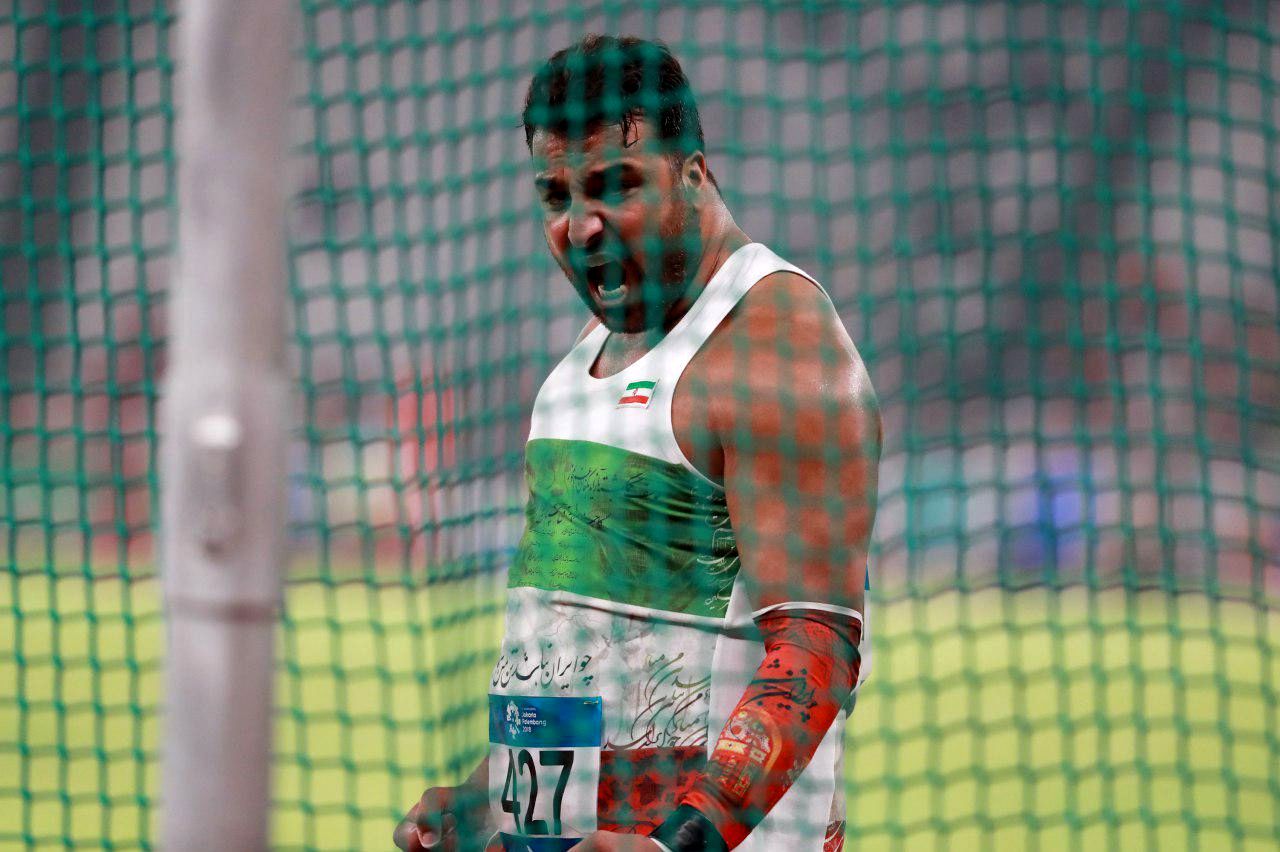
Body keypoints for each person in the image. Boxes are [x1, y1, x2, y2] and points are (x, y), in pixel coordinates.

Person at [395, 34, 880, 852]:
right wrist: (491, 797)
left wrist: (671, 845)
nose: (581, 225)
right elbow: (577, 653)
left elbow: (816, 650)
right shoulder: (583, 364)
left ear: (694, 173)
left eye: (614, 185)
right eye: (555, 195)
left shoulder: (774, 345)